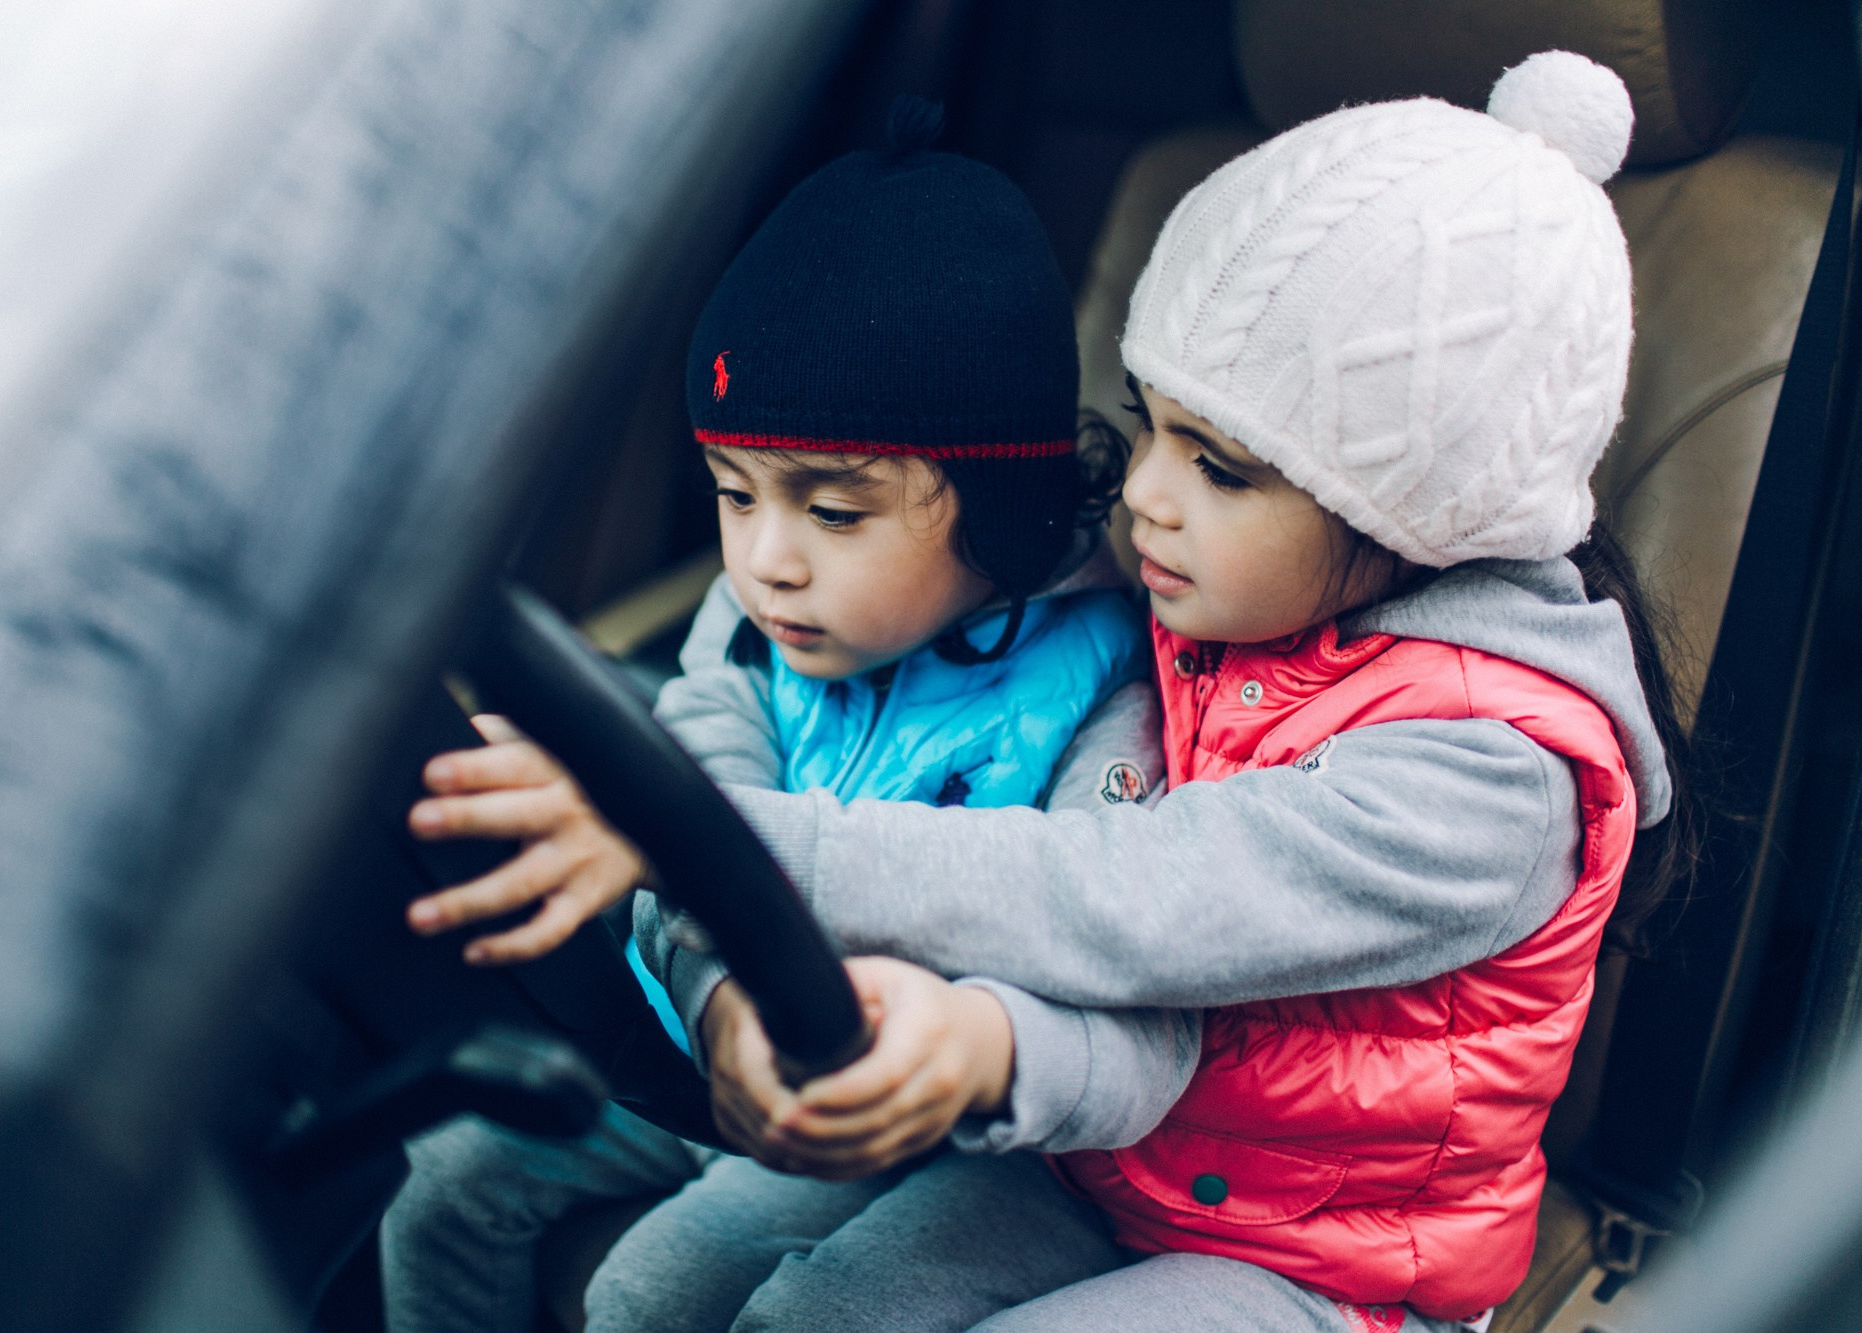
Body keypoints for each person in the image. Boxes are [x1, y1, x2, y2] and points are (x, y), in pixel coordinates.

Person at [445, 52, 1695, 1331]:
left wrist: (692, 839)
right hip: (1106, 1167)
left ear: (1409, 512)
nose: (1143, 492)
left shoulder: (1488, 776)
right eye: (1148, 423)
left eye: (1217, 466)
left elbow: (1124, 898)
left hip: (1331, 1266)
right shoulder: (1206, 602)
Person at [376, 102, 1171, 1333]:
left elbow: (1109, 954)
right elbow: (689, 804)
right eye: (731, 495)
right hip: (721, 1058)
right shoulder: (755, 623)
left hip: (933, 1138)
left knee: (656, 1291)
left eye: (833, 512)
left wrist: (948, 1049)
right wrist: (722, 1012)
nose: (764, 561)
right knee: (447, 1181)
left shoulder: (1107, 689)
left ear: (1005, 507)